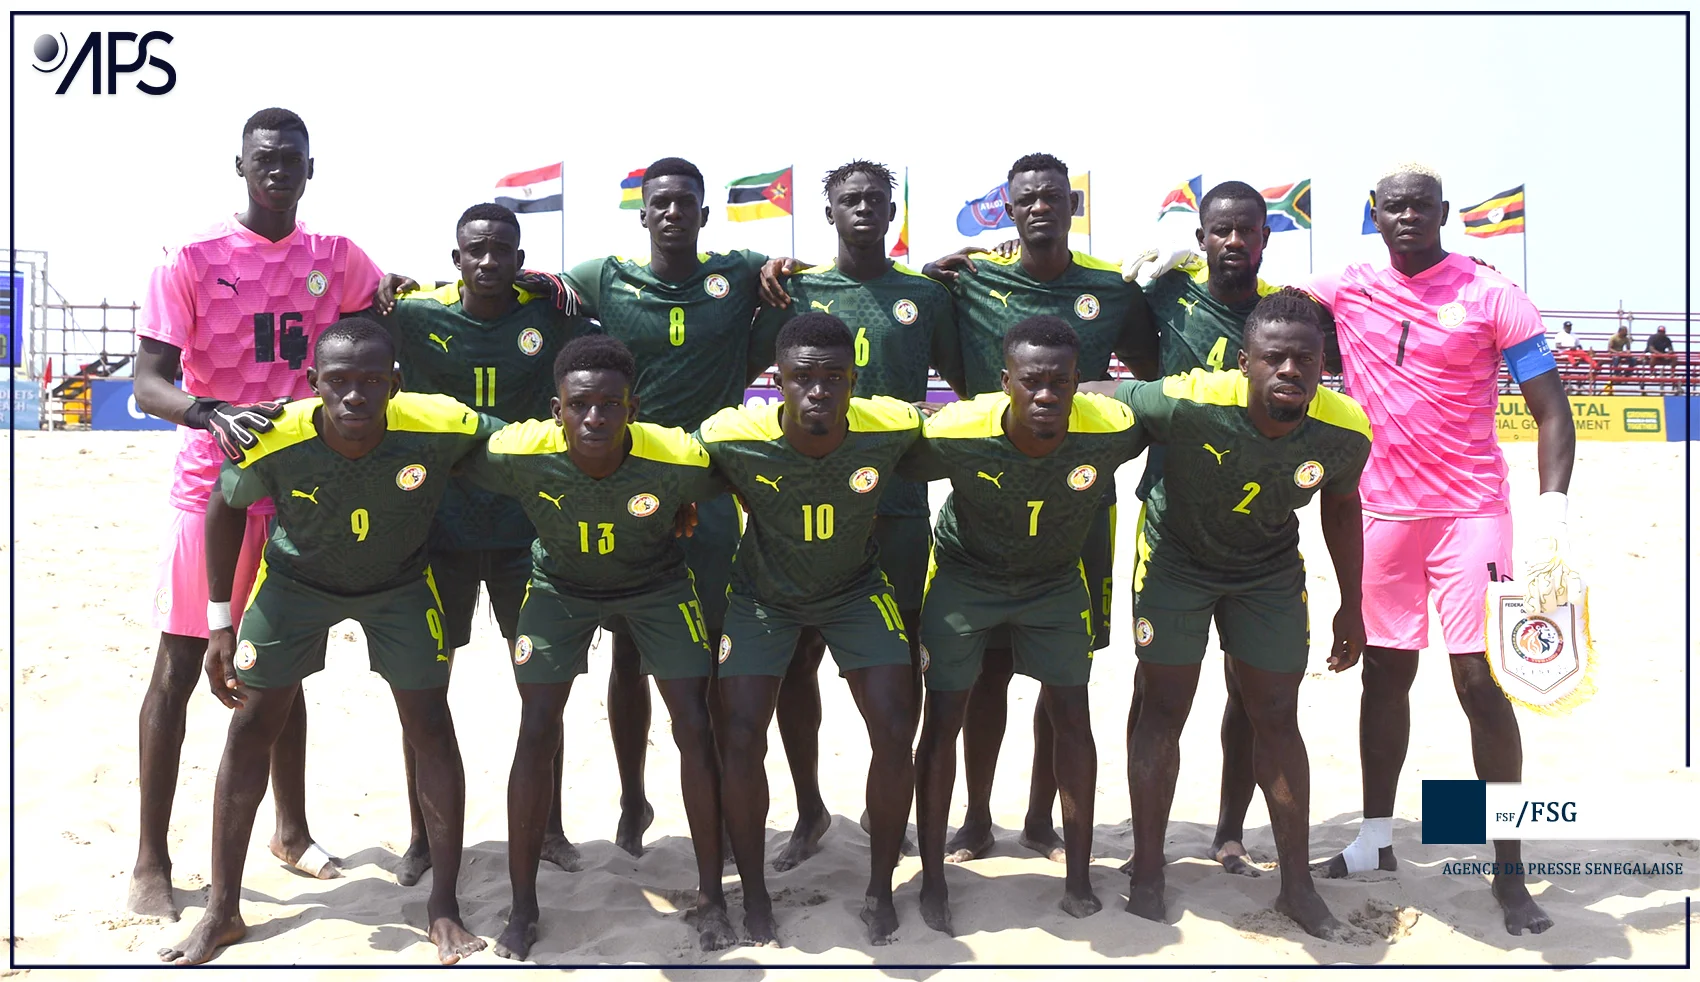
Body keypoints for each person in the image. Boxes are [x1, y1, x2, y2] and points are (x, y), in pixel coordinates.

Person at [159, 320, 497, 965]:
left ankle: (444, 906)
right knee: (251, 724)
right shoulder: (276, 433)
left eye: (372, 381)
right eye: (338, 382)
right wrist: (221, 621)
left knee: (430, 723)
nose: (355, 397)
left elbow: (517, 449)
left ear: (395, 384)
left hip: (399, 586)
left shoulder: (438, 422)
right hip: (295, 582)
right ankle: (223, 911)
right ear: (314, 384)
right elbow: (225, 507)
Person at [129, 106, 394, 917]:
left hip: (300, 493)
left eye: (292, 159)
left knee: (283, 664)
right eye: (263, 157)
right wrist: (208, 413)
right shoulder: (192, 256)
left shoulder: (337, 258)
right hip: (212, 488)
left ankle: (291, 829)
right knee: (179, 668)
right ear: (240, 165)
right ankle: (149, 858)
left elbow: (392, 321)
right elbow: (148, 382)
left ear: (310, 171)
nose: (277, 169)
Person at [1306, 163, 1577, 937]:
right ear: (1375, 214)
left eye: (1420, 206)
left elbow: (1551, 411)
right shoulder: (1346, 284)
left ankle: (1509, 870)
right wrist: (1178, 266)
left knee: (1480, 684)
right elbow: (1258, 299)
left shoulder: (1493, 295)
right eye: (1393, 207)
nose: (1407, 217)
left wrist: (1553, 512)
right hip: (1382, 513)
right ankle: (1374, 840)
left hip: (1471, 513)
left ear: (1444, 212)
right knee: (1385, 676)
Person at [1085, 289, 1370, 939]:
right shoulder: (1190, 397)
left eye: (1305, 359)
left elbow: (1343, 505)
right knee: (1165, 708)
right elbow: (1103, 391)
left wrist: (1352, 602)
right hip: (1175, 563)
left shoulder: (1345, 427)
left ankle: (1296, 886)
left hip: (1266, 572)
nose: (1290, 371)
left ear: (1324, 362)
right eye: (1275, 358)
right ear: (1246, 362)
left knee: (1276, 715)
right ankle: (1150, 872)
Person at [531, 157, 788, 855]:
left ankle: (714, 810)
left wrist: (780, 263)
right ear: (643, 215)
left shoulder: (735, 273)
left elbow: (790, 275)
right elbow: (530, 288)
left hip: (706, 491)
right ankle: (633, 799)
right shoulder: (603, 277)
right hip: (624, 488)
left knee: (700, 658)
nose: (673, 213)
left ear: (704, 215)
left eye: (686, 204)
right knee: (624, 658)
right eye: (661, 204)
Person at [459, 335, 734, 957]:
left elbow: (731, 474)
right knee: (536, 728)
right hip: (561, 588)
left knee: (693, 722)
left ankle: (713, 895)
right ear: (556, 409)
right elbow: (451, 452)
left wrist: (683, 502)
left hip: (657, 585)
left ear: (632, 408)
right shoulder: (519, 451)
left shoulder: (674, 455)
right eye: (579, 405)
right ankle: (524, 906)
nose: (594, 418)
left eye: (610, 405)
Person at [918, 152, 1155, 865]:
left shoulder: (1110, 288)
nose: (1041, 207)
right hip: (990, 498)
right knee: (985, 671)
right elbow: (937, 352)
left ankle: (1043, 819)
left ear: (1071, 207)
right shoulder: (975, 282)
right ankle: (977, 819)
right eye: (1027, 198)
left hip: (1077, 502)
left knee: (1065, 673)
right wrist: (931, 272)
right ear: (1009, 209)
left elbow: (1154, 366)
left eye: (1054, 196)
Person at [748, 159, 965, 870]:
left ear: (893, 207)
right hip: (802, 505)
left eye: (876, 198)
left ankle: (886, 808)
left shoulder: (924, 295)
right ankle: (809, 810)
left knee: (895, 666)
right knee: (796, 660)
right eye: (850, 199)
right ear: (829, 212)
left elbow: (971, 383)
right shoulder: (797, 289)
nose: (864, 207)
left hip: (895, 508)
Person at [370, 202, 592, 885]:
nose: (489, 261)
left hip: (528, 530)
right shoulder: (415, 318)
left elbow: (600, 344)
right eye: (476, 251)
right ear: (456, 260)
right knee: (423, 689)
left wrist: (557, 286)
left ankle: (549, 827)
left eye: (503, 251)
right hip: (439, 532)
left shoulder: (549, 316)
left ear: (521, 261)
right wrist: (385, 288)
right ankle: (420, 837)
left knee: (543, 683)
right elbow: (349, 331)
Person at [904, 316, 1146, 934]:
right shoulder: (958, 431)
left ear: (1078, 383)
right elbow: (886, 442)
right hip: (967, 577)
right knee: (945, 715)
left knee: (1073, 713)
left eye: (1060, 383)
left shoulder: (1109, 429)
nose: (1046, 395)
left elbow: (1162, 405)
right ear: (1004, 381)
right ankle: (935, 874)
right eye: (1031, 382)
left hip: (1055, 581)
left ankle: (1080, 875)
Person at [696, 313, 922, 946]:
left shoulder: (893, 425)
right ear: (778, 383)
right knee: (739, 733)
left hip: (855, 590)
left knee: (895, 726)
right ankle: (757, 896)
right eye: (802, 378)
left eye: (832, 378)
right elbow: (676, 466)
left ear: (854, 379)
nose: (817, 390)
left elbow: (966, 437)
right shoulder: (732, 433)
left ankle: (880, 887)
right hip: (764, 597)